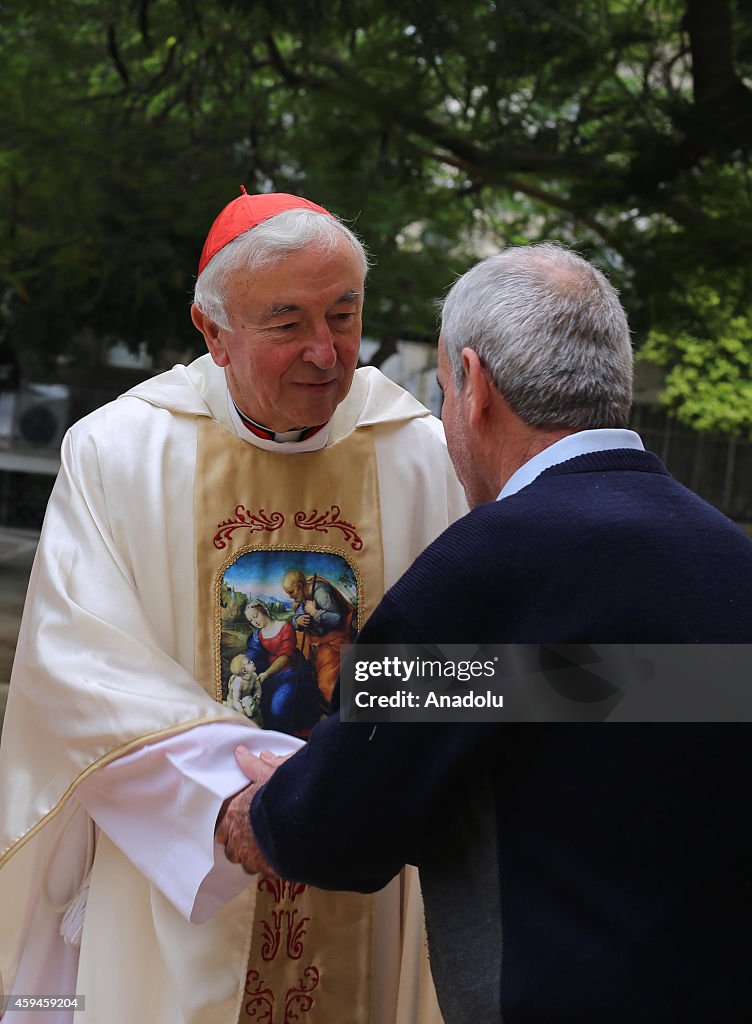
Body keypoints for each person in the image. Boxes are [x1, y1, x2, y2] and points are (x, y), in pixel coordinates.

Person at [223, 243, 752, 1024]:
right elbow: (600, 694)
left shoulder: (489, 566)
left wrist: (263, 815)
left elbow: (346, 822)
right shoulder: (730, 558)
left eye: (441, 391)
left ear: (474, 387)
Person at [0, 190, 467, 1023]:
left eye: (344, 314)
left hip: (366, 858)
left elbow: (466, 663)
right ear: (212, 333)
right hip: (184, 855)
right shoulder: (122, 452)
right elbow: (79, 667)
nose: (325, 352)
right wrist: (231, 798)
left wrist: (360, 776)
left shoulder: (421, 455)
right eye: (287, 325)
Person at [243, 598, 323, 735]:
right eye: (251, 620)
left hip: (291, 672)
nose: (255, 621)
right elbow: (253, 654)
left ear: (264, 611)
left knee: (279, 706)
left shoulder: (285, 627)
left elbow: (285, 657)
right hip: (271, 674)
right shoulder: (257, 635)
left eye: (256, 616)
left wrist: (267, 673)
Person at [282, 568, 354, 702]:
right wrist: (297, 620)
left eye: (291, 592)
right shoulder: (301, 596)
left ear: (299, 586)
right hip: (313, 642)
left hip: (332, 642)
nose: (290, 597)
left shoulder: (321, 592)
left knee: (328, 686)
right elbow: (297, 615)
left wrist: (315, 613)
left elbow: (337, 619)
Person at [225, 652, 262, 719]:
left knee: (256, 714)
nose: (252, 662)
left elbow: (258, 688)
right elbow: (235, 701)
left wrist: (257, 696)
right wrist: (243, 714)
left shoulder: (254, 676)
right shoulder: (238, 682)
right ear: (244, 671)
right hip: (235, 703)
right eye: (249, 662)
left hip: (248, 701)